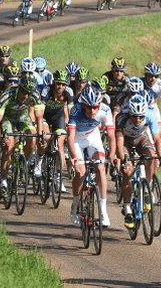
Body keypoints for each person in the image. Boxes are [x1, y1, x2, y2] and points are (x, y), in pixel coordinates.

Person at [68, 83, 115, 228]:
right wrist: (74, 157)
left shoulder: (105, 110)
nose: (93, 110)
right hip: (77, 140)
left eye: (96, 107)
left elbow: (112, 135)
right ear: (83, 104)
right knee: (80, 172)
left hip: (93, 138)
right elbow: (70, 137)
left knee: (101, 168)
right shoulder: (75, 110)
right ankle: (75, 205)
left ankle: (103, 211)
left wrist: (112, 154)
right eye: (89, 107)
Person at [115, 94, 160, 228]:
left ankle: (148, 188)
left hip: (142, 139)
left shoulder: (151, 115)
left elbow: (156, 138)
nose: (138, 119)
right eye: (135, 116)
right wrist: (124, 159)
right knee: (127, 172)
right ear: (129, 113)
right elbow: (119, 141)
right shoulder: (121, 118)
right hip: (127, 142)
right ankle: (128, 207)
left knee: (151, 156)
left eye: (141, 116)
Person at [0, 74, 43, 191]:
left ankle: (23, 163)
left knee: (33, 138)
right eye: (24, 92)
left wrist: (40, 134)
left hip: (23, 118)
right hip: (8, 119)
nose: (25, 96)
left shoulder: (34, 94)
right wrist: (0, 138)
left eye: (28, 93)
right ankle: (4, 179)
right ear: (19, 87)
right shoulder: (8, 93)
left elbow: (39, 117)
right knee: (9, 145)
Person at [41, 69, 73, 193]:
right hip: (45, 117)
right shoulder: (46, 91)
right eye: (58, 83)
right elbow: (40, 109)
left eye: (63, 84)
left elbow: (71, 111)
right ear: (54, 82)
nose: (60, 87)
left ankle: (58, 177)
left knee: (60, 145)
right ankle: (41, 158)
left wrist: (71, 125)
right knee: (46, 138)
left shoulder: (68, 93)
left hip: (58, 118)